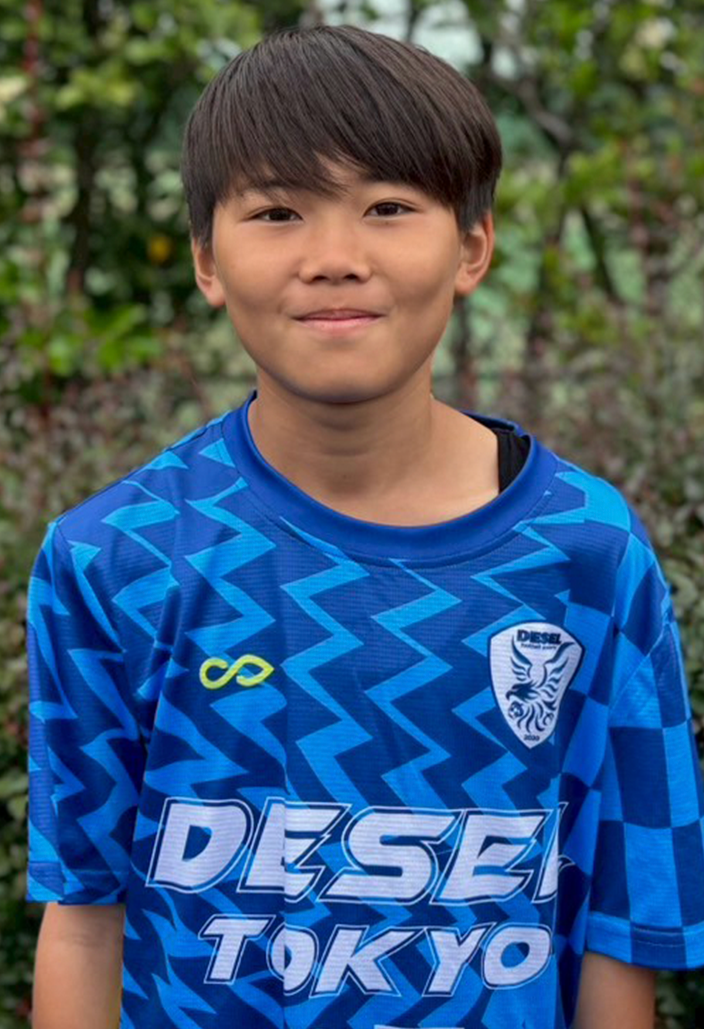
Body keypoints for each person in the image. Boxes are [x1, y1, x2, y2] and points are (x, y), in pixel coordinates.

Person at [26, 23, 704, 1029]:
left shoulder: (589, 551)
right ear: (208, 260)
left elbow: (622, 924)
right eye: (277, 212)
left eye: (388, 207)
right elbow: (85, 918)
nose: (334, 259)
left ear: (471, 247)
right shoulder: (114, 558)